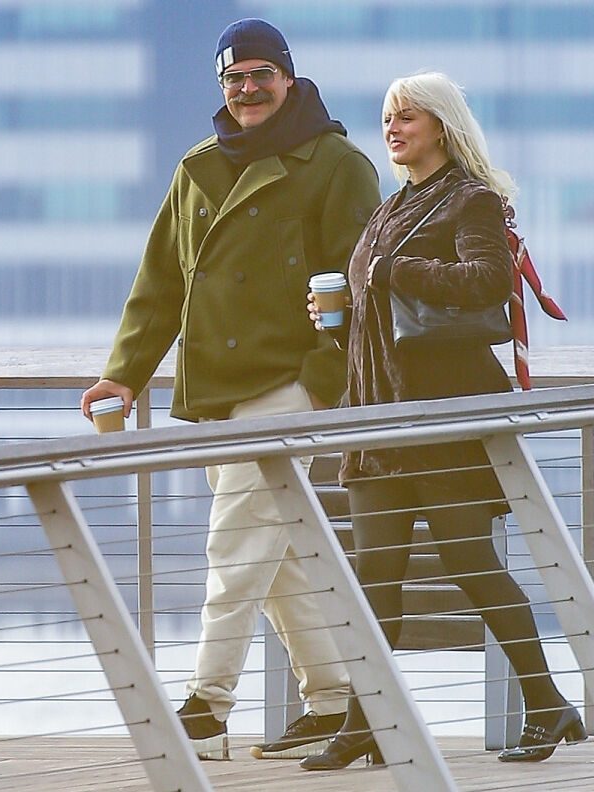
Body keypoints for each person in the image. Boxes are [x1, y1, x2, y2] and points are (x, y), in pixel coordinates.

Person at [80, 18, 380, 761]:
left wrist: (320, 381)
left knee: (236, 543)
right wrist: (123, 371)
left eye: (260, 75)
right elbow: (159, 287)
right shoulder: (197, 167)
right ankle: (340, 701)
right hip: (218, 388)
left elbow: (361, 283)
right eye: (233, 78)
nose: (247, 90)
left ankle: (207, 707)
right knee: (272, 557)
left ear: (288, 76)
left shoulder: (337, 162)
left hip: (291, 384)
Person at [302, 72, 587, 770]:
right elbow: (389, 315)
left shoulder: (471, 200)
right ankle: (367, 721)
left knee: (470, 563)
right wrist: (336, 323)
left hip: (440, 418)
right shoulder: (392, 206)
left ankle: (548, 705)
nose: (394, 127)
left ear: (442, 125)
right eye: (388, 117)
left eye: (409, 117)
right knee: (374, 576)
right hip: (375, 421)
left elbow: (487, 282)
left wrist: (400, 271)